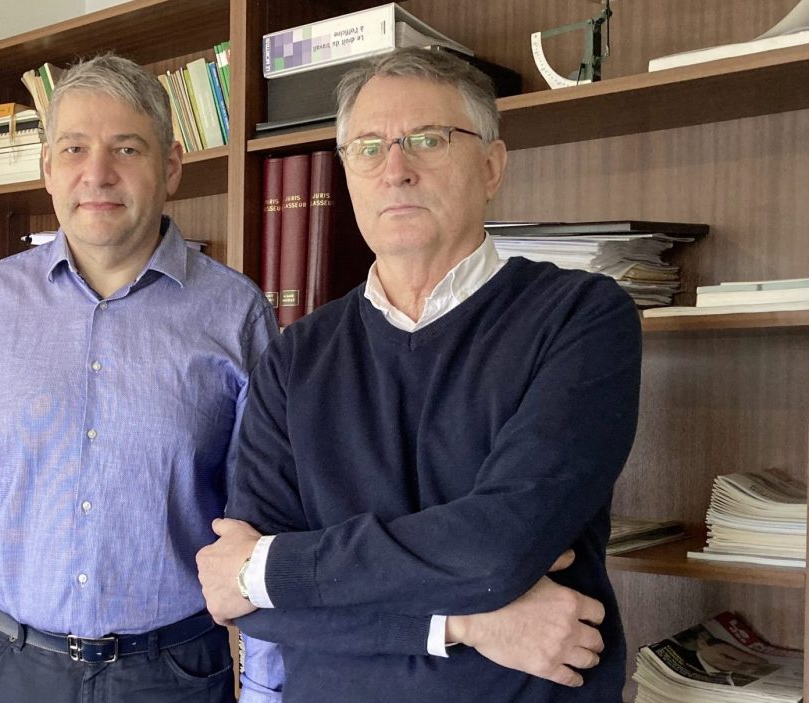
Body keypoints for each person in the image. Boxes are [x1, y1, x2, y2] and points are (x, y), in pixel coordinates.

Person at [197, 47, 642, 702]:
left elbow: (496, 552)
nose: (395, 169)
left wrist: (273, 568)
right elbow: (253, 605)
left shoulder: (581, 316)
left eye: (428, 139)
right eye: (368, 147)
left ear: (491, 166)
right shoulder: (295, 356)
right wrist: (462, 623)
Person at [0, 54, 278, 703]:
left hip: (174, 675)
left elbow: (263, 523)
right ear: (47, 167)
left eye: (126, 148)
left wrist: (269, 688)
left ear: (171, 166)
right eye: (74, 148)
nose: (96, 173)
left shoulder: (236, 313)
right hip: (8, 669)